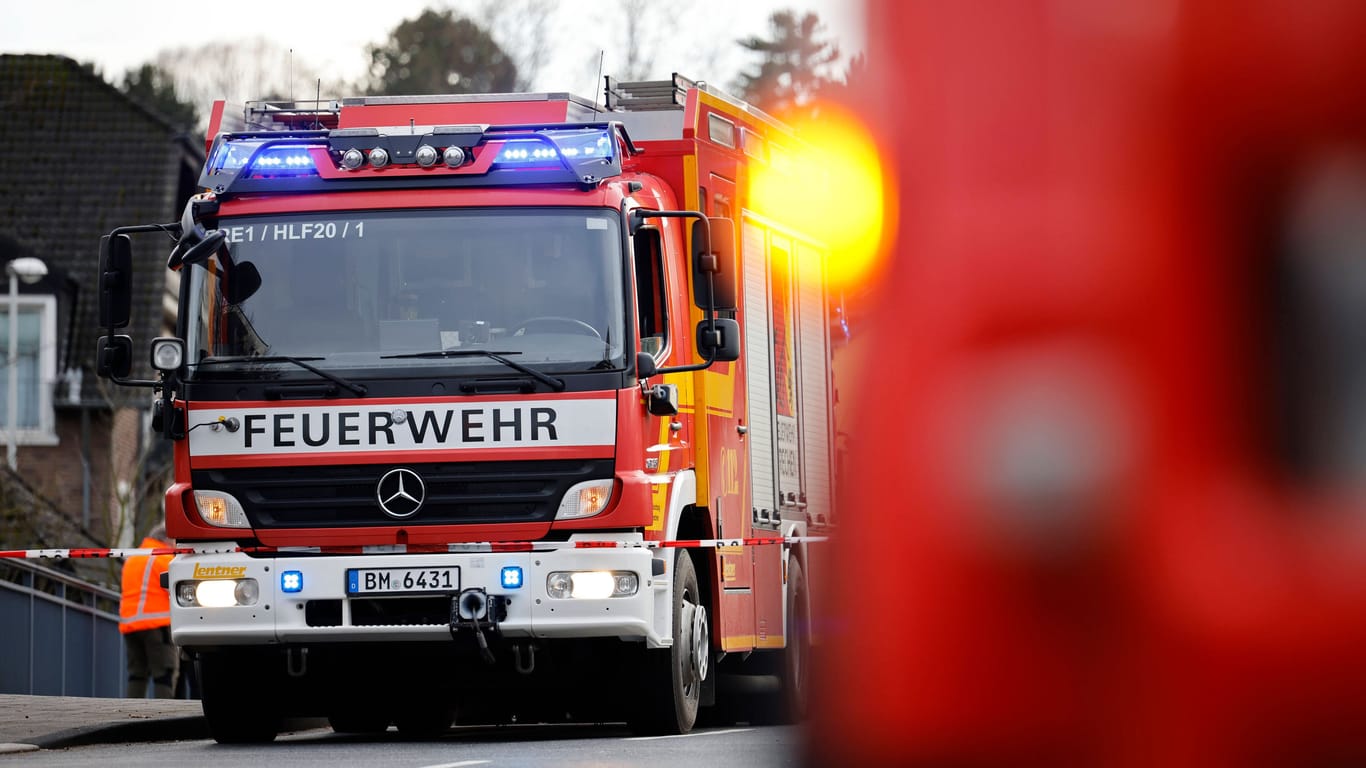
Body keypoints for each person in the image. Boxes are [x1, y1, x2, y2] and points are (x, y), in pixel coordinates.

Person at [120, 523, 178, 699]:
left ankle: (131, 717)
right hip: (156, 625)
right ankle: (164, 718)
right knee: (164, 675)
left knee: (137, 675)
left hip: (130, 625)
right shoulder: (164, 559)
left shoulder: (133, 559)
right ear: (166, 540)